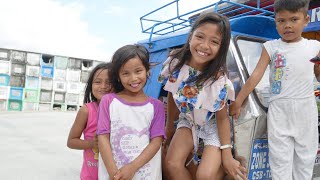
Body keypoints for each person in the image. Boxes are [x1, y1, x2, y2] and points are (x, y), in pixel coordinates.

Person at [230, 0, 320, 179]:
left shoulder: (314, 47)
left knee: (305, 160)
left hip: (306, 111)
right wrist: (238, 101)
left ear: (306, 20)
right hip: (279, 112)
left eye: (294, 19)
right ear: (276, 21)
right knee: (279, 162)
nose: (287, 25)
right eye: (281, 21)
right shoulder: (271, 47)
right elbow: (255, 75)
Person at [158, 12, 247, 180]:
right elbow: (171, 92)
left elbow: (221, 119)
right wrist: (169, 126)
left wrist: (227, 154)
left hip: (213, 125)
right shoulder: (175, 63)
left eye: (214, 41)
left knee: (205, 175)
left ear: (221, 47)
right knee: (171, 164)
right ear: (191, 36)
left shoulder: (218, 80)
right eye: (200, 36)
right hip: (188, 120)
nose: (205, 46)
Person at [97, 44, 166, 180]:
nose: (133, 78)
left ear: (147, 71)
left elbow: (156, 142)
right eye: (126, 73)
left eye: (138, 71)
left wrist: (132, 167)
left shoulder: (156, 106)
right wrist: (113, 173)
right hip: (114, 174)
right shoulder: (108, 101)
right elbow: (102, 137)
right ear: (118, 76)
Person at [67, 62, 113, 180]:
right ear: (91, 85)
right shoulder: (87, 111)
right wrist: (92, 144)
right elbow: (71, 141)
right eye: (98, 82)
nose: (103, 86)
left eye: (109, 82)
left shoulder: (122, 110)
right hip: (91, 176)